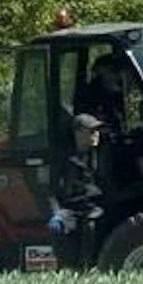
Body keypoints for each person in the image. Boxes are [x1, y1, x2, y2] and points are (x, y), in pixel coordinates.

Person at [49, 113, 106, 267]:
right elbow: (53, 190)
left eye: (97, 131)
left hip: (96, 207)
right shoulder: (64, 158)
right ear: (78, 133)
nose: (96, 135)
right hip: (71, 208)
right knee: (56, 226)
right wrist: (57, 212)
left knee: (91, 223)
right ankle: (66, 268)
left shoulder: (102, 156)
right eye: (91, 131)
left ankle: (89, 266)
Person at [75, 57, 127, 137]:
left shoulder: (116, 95)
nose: (118, 76)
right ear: (100, 71)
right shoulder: (89, 95)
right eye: (113, 71)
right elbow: (86, 124)